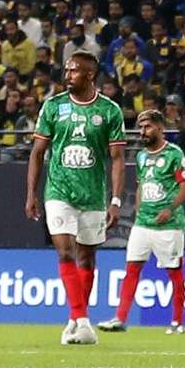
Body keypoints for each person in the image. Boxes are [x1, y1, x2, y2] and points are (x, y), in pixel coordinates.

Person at [24, 51, 126, 346]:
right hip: (58, 191)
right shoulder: (53, 106)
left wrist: (116, 200)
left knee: (87, 256)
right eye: (66, 70)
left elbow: (118, 159)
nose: (67, 75)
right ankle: (83, 322)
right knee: (66, 251)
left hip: (93, 195)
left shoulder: (109, 111)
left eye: (73, 71)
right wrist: (32, 193)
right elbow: (38, 153)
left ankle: (75, 316)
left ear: (90, 75)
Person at [97, 110, 185, 335]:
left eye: (147, 127)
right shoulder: (140, 156)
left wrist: (170, 209)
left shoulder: (174, 154)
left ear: (159, 127)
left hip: (169, 225)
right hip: (143, 224)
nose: (143, 132)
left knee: (174, 272)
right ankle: (120, 318)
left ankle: (177, 322)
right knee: (132, 268)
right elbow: (140, 185)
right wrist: (139, 210)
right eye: (141, 128)